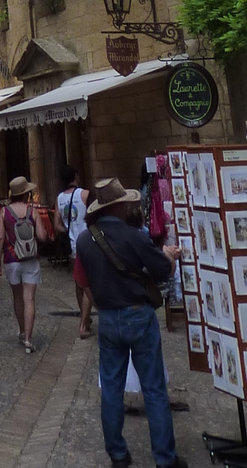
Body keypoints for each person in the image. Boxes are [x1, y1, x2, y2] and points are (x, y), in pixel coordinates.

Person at [76, 177, 187, 468]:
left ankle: (118, 454)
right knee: (154, 388)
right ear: (120, 207)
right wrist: (168, 257)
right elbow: (163, 271)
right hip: (139, 314)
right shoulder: (133, 236)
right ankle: (165, 458)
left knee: (111, 389)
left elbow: (85, 281)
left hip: (109, 317)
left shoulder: (85, 239)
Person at [0, 175, 50, 351]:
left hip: (11, 259)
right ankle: (28, 338)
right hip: (30, 259)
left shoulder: (4, 212)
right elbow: (42, 236)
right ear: (25, 194)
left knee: (18, 297)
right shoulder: (32, 211)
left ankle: (21, 331)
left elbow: (0, 237)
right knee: (30, 299)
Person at [56, 162, 93, 338]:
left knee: (79, 283)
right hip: (87, 243)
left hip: (72, 246)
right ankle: (83, 324)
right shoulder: (85, 194)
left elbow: (57, 225)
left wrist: (69, 230)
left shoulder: (59, 199)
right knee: (88, 284)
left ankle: (85, 317)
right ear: (76, 176)